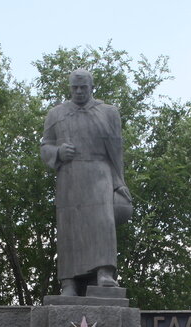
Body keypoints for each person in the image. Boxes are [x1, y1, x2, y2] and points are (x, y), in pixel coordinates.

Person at [41, 68, 131, 296]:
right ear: (70, 88)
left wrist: (120, 183)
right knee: (69, 229)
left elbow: (116, 152)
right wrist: (58, 152)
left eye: (83, 87)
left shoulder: (108, 113)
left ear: (92, 87)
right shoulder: (56, 114)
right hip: (69, 177)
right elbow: (45, 146)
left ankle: (104, 273)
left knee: (103, 223)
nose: (79, 91)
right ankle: (68, 283)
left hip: (100, 174)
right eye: (75, 87)